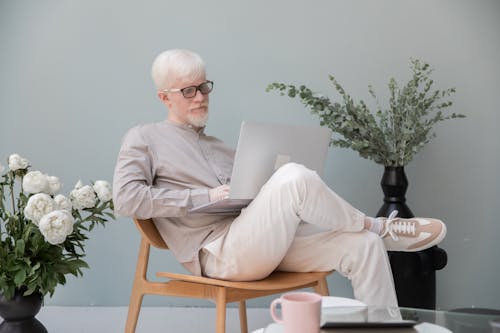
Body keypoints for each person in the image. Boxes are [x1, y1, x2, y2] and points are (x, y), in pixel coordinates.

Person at [113, 49, 447, 309]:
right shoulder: (144, 137)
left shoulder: (219, 147)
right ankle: (378, 225)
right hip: (219, 254)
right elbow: (126, 199)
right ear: (164, 97)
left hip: (262, 243)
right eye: (188, 90)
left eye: (203, 86)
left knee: (362, 245)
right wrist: (206, 196)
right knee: (294, 176)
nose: (200, 96)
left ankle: (380, 314)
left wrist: (261, 188)